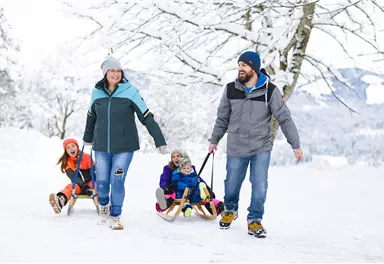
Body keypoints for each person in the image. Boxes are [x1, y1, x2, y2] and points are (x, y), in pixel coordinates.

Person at [208, 51, 303, 238]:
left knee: (259, 184)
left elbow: (284, 118)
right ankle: (230, 209)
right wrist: (214, 140)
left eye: (244, 65)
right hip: (236, 145)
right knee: (232, 182)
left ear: (254, 67)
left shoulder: (270, 91)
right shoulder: (230, 89)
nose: (240, 69)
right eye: (239, 65)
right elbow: (222, 118)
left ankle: (255, 219)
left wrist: (295, 144)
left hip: (261, 146)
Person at [83, 56, 167, 230]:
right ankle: (104, 204)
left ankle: (115, 215)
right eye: (112, 70)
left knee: (118, 180)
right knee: (102, 182)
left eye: (118, 70)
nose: (116, 73)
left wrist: (159, 140)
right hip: (101, 147)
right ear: (105, 73)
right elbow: (91, 116)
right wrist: (87, 138)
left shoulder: (131, 92)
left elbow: (146, 117)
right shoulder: (96, 92)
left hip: (124, 147)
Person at [155, 150, 224, 216]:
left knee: (205, 196)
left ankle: (220, 208)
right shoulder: (169, 168)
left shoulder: (190, 169)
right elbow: (164, 178)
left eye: (178, 156)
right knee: (171, 195)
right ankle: (163, 204)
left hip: (192, 190)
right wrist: (165, 186)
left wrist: (207, 188)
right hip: (174, 188)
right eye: (173, 157)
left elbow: (198, 179)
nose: (176, 158)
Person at [49, 138, 96, 214]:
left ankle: (103, 205)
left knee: (97, 186)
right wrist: (84, 186)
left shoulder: (86, 157)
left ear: (77, 147)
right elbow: (73, 177)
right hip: (78, 185)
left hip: (90, 183)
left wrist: (92, 184)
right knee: (70, 187)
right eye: (68, 148)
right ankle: (61, 200)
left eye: (73, 146)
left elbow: (93, 172)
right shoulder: (67, 163)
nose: (71, 149)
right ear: (66, 151)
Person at [171, 153, 208, 217]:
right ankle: (187, 209)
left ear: (190, 168)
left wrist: (194, 185)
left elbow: (196, 180)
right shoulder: (177, 174)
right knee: (183, 198)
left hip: (193, 191)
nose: (186, 170)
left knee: (199, 185)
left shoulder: (193, 174)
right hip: (183, 192)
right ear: (180, 168)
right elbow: (177, 183)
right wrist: (186, 188)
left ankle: (203, 194)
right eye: (184, 168)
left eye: (188, 168)